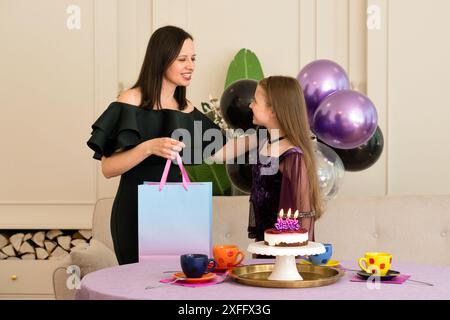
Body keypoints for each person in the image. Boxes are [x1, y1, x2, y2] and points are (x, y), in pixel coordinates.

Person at [87, 25, 222, 265]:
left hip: (178, 212)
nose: (190, 65)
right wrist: (148, 147)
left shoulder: (186, 107)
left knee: (178, 285)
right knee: (139, 287)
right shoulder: (130, 100)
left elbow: (220, 150)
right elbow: (108, 168)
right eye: (182, 59)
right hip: (134, 212)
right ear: (161, 59)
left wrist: (269, 135)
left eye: (193, 58)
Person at [211, 76, 323, 245]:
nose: (250, 105)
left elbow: (304, 215)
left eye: (255, 101)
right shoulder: (264, 139)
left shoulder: (293, 156)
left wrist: (290, 258)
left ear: (273, 110)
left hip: (285, 251)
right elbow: (218, 153)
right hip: (264, 244)